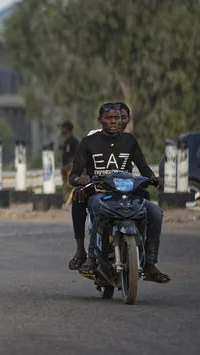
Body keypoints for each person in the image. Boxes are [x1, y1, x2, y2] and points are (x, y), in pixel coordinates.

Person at [69, 103, 170, 283]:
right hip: (100, 194)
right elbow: (74, 174)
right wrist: (80, 180)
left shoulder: (129, 141)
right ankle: (91, 258)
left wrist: (153, 179)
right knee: (98, 207)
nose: (114, 121)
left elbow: (144, 168)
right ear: (100, 120)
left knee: (155, 212)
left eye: (116, 118)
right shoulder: (88, 142)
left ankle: (149, 263)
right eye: (109, 118)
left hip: (127, 195)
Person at [68, 102, 132, 270]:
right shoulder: (93, 137)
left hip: (124, 190)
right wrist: (82, 182)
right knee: (78, 196)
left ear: (127, 120)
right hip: (97, 187)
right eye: (113, 118)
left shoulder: (130, 142)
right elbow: (82, 165)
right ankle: (82, 251)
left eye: (122, 118)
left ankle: (143, 254)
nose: (118, 122)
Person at [59, 120, 80, 203]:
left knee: (71, 186)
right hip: (65, 168)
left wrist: (68, 166)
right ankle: (66, 202)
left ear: (67, 129)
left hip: (70, 168)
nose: (61, 130)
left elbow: (76, 155)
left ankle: (71, 202)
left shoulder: (74, 141)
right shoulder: (66, 141)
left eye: (63, 128)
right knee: (65, 187)